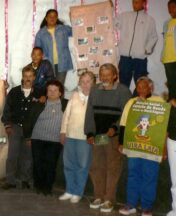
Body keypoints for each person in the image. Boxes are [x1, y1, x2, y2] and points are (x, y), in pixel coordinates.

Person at [84, 63, 132, 213]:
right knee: (96, 166)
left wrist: (115, 128)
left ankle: (109, 199)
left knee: (113, 168)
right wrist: (90, 133)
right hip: (98, 136)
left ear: (115, 75)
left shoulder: (124, 91)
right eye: (102, 74)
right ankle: (98, 196)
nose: (104, 77)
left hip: (113, 137)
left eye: (107, 74)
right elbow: (89, 113)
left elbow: (127, 114)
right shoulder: (94, 90)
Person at [118, 77, 166, 216]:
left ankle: (147, 207)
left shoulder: (160, 102)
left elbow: (163, 127)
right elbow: (124, 123)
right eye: (138, 87)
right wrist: (121, 142)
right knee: (133, 174)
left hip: (152, 147)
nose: (140, 90)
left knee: (150, 176)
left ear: (151, 88)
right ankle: (131, 204)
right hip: (134, 146)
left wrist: (163, 147)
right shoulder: (131, 102)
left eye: (144, 87)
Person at [1, 65, 45, 190]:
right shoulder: (14, 92)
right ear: (22, 77)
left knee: (28, 156)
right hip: (15, 127)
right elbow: (7, 109)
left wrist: (44, 99)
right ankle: (10, 180)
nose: (27, 78)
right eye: (25, 76)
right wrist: (8, 125)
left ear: (34, 78)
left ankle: (25, 179)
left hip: (31, 130)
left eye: (30, 76)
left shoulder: (40, 93)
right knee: (12, 155)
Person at [23, 80, 68, 195]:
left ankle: (47, 188)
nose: (52, 93)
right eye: (50, 90)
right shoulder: (39, 104)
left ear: (60, 93)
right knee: (38, 164)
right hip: (37, 138)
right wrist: (28, 137)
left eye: (55, 90)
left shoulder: (66, 105)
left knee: (51, 165)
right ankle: (38, 186)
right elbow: (29, 120)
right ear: (46, 92)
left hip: (55, 140)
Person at [59, 71, 96, 203]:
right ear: (79, 83)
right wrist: (63, 131)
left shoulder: (95, 97)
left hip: (85, 138)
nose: (85, 84)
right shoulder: (74, 96)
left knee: (82, 165)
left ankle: (77, 192)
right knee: (68, 164)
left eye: (88, 81)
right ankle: (69, 190)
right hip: (70, 136)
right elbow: (66, 115)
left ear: (93, 83)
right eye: (83, 81)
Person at [115, 0, 158, 90]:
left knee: (142, 86)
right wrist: (110, 8)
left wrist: (147, 49)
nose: (134, 5)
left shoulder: (149, 20)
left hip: (140, 59)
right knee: (123, 85)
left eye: (137, 2)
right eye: (133, 2)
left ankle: (138, 103)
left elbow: (153, 37)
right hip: (125, 58)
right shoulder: (124, 16)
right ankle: (125, 103)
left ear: (143, 3)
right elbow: (113, 24)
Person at [35, 9, 73, 84]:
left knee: (59, 86)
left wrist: (73, 18)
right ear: (46, 18)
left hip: (63, 63)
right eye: (50, 16)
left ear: (57, 18)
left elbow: (77, 31)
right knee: (50, 86)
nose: (52, 18)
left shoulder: (63, 29)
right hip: (48, 64)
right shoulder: (41, 33)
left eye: (54, 16)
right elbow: (38, 49)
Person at [162, 0, 176, 101]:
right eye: (169, 7)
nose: (170, 10)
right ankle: (172, 111)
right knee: (171, 85)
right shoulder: (166, 23)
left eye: (173, 7)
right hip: (168, 59)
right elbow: (165, 41)